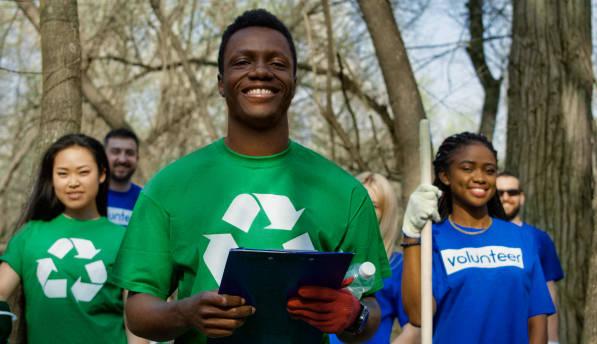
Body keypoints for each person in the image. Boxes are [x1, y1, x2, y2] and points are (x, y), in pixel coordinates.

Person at [110, 9, 390, 344]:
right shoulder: (168, 188)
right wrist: (184, 313)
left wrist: (354, 317)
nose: (260, 71)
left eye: (277, 62)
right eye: (243, 62)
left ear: (295, 82)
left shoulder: (344, 193)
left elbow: (369, 304)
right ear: (220, 83)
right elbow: (138, 309)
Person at [401, 132, 555, 344]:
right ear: (445, 176)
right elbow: (419, 315)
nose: (480, 177)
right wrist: (410, 234)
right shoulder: (432, 239)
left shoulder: (521, 238)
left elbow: (537, 318)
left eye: (489, 171)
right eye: (467, 168)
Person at [0, 134, 144, 343]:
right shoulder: (29, 235)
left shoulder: (124, 239)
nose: (73, 182)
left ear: (102, 174)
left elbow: (135, 326)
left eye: (84, 172)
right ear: (52, 177)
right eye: (63, 173)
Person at [331, 172, 419, 344]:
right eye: (358, 203)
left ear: (386, 212)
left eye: (372, 205)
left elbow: (415, 329)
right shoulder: (331, 256)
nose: (362, 210)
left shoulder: (396, 266)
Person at [497, 172, 564, 344]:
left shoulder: (539, 238)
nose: (505, 197)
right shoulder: (478, 237)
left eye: (512, 192)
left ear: (522, 197)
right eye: (499, 193)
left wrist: (552, 340)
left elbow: (549, 291)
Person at [104, 128, 142, 226]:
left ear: (137, 159)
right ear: (103, 156)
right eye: (115, 152)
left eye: (129, 153)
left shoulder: (145, 200)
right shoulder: (89, 196)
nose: (122, 159)